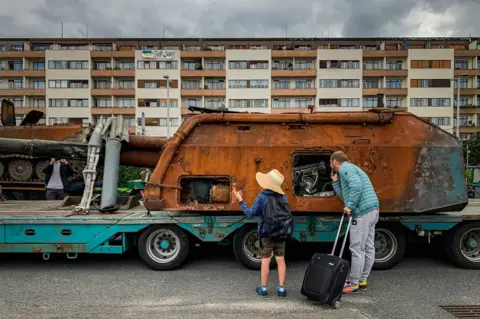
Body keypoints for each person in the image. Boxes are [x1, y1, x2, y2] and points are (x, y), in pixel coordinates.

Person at [233, 169, 290, 298]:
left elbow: (250, 213)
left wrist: (241, 200)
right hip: (281, 232)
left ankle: (263, 288)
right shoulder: (283, 197)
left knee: (265, 260)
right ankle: (281, 289)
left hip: (266, 232)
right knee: (280, 260)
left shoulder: (262, 196)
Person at [330, 151, 379, 294]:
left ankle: (353, 283)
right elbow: (346, 195)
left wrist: (350, 206)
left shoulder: (346, 167)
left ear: (334, 162)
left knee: (357, 248)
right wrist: (336, 182)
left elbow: (356, 186)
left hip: (362, 213)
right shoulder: (351, 169)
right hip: (372, 210)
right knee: (368, 247)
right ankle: (362, 279)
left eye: (330, 163)